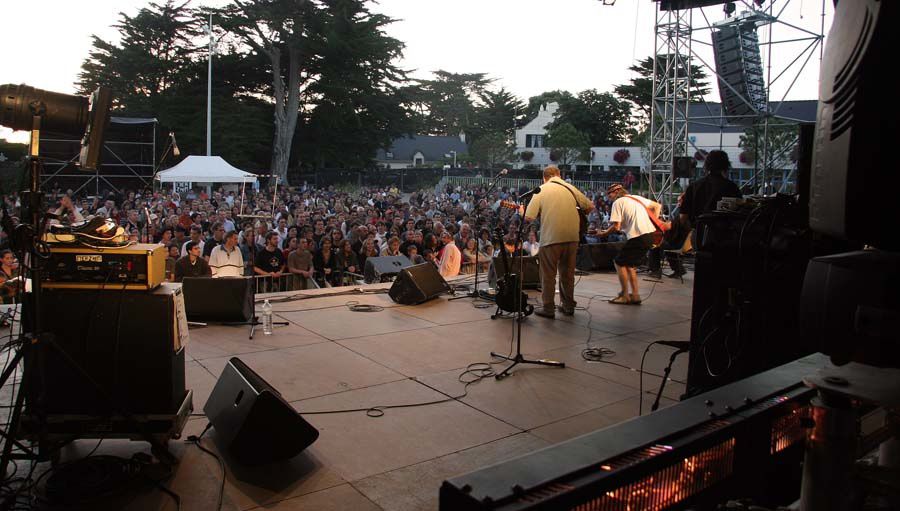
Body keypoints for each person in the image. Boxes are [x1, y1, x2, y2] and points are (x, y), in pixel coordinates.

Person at [523, 165, 594, 319]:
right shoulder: (570, 188)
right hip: (572, 237)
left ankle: (548, 308)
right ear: (559, 175)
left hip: (551, 238)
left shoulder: (541, 190)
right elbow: (589, 207)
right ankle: (568, 306)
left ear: (544, 177)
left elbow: (528, 217)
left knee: (548, 274)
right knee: (567, 273)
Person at [597, 183, 660, 305]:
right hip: (649, 235)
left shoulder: (618, 202)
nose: (608, 197)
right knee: (629, 265)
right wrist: (652, 222)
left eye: (609, 195)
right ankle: (635, 295)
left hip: (638, 236)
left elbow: (617, 226)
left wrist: (604, 233)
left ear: (615, 193)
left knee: (619, 262)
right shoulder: (636, 198)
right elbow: (657, 206)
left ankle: (625, 295)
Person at [680, 149, 741, 228]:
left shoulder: (693, 187)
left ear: (706, 166)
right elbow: (739, 216)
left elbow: (683, 218)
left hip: (697, 235)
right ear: (726, 166)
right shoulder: (732, 187)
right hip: (725, 236)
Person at [648, 193, 691, 279]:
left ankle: (655, 271)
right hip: (680, 242)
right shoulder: (689, 214)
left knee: (654, 246)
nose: (678, 203)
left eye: (680, 201)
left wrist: (660, 222)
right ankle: (679, 270)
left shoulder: (682, 215)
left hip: (677, 243)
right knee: (664, 245)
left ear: (685, 201)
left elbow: (670, 227)